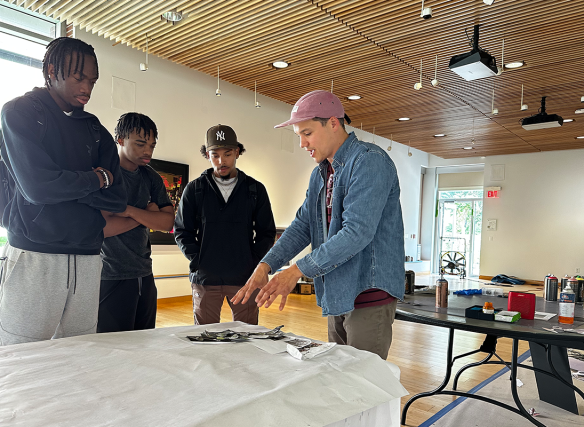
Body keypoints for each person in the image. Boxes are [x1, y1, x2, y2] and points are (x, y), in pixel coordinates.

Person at [232, 90, 405, 360]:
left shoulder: (370, 161)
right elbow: (302, 226)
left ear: (333, 123)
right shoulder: (320, 174)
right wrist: (265, 265)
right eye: (299, 135)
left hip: (367, 293)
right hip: (337, 293)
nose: (302, 143)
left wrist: (295, 271)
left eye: (307, 133)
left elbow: (356, 233)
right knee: (339, 378)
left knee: (362, 383)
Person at [0, 37, 127, 346]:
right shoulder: (21, 112)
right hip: (35, 254)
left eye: (92, 81)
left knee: (78, 354)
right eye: (79, 77)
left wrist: (63, 183)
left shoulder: (95, 129)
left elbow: (117, 198)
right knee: (19, 352)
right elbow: (38, 187)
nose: (87, 88)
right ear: (52, 70)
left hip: (88, 258)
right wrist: (95, 179)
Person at [174, 124, 276, 325]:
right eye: (215, 155)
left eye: (228, 154)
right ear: (207, 155)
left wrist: (252, 261)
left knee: (246, 337)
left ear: (237, 152)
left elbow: (266, 232)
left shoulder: (255, 190)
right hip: (205, 279)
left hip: (244, 279)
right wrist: (199, 260)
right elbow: (181, 231)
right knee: (204, 337)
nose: (222, 161)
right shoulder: (195, 189)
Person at [98, 113, 175, 332]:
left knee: (144, 342)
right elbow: (104, 228)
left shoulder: (151, 177)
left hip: (144, 274)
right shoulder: (105, 175)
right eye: (141, 143)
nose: (148, 151)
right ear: (120, 140)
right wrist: (145, 216)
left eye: (152, 145)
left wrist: (129, 211)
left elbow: (167, 222)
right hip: (111, 274)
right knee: (112, 346)